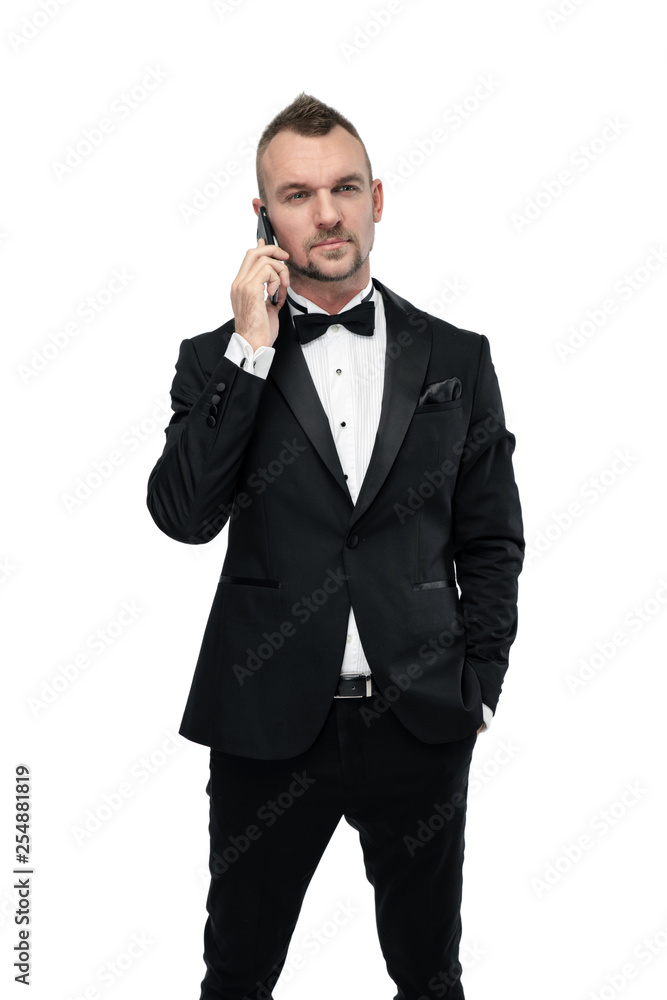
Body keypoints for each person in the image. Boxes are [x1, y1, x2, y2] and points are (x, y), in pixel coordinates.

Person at [147, 92, 524, 1000]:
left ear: (376, 198)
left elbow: (490, 537)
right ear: (263, 218)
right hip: (266, 722)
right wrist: (250, 347)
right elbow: (185, 514)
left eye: (345, 188)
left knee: (429, 976)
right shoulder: (215, 359)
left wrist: (478, 683)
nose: (326, 213)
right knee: (238, 973)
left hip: (420, 718)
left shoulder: (456, 357)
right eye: (297, 195)